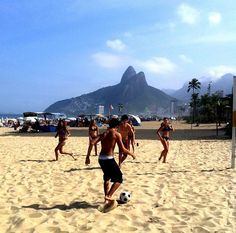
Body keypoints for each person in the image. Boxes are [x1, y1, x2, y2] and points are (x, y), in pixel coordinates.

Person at [85, 118, 135, 210]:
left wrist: (87, 156)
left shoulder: (104, 133)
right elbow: (123, 149)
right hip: (109, 159)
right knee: (119, 178)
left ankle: (106, 200)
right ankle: (108, 196)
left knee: (107, 177)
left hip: (101, 159)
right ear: (117, 126)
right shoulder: (116, 134)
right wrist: (131, 154)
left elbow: (92, 142)